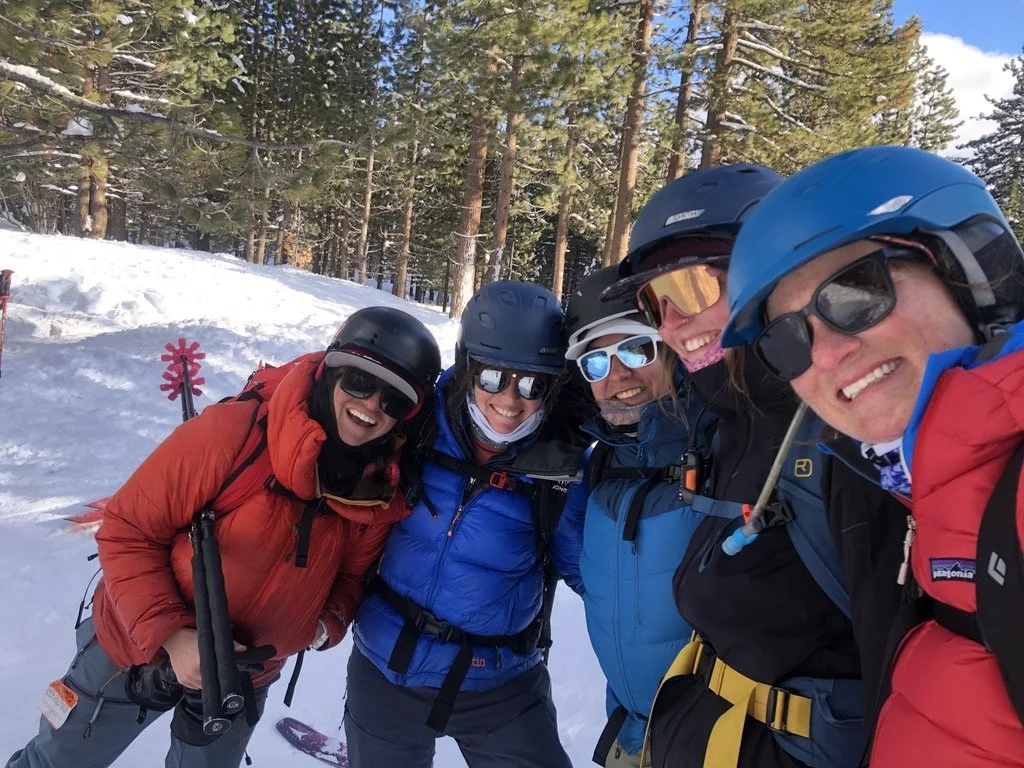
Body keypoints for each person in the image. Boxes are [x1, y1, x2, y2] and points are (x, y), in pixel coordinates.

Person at [6, 306, 442, 768]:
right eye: (359, 381)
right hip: (136, 648)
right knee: (57, 761)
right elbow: (127, 531)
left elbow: (352, 579)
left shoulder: (378, 490)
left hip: (242, 680)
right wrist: (173, 637)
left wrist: (319, 627)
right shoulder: (232, 434)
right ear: (330, 374)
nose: (372, 404)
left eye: (394, 400)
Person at [722, 144, 1024, 767]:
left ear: (972, 268)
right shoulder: (928, 494)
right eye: (789, 339)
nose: (827, 353)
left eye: (855, 291)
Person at [603, 165, 907, 768]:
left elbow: (911, 675)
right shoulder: (731, 422)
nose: (670, 325)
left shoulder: (840, 439)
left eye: (689, 290)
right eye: (653, 304)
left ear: (771, 277)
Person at [344, 280, 590, 768]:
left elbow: (594, 575)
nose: (510, 400)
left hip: (500, 682)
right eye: (494, 377)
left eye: (532, 384)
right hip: (386, 663)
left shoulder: (562, 467)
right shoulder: (417, 420)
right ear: (469, 368)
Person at [565, 267, 712, 768]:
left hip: (715, 739)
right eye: (596, 361)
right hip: (630, 730)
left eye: (636, 350)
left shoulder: (724, 449)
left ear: (671, 349)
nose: (618, 375)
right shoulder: (600, 461)